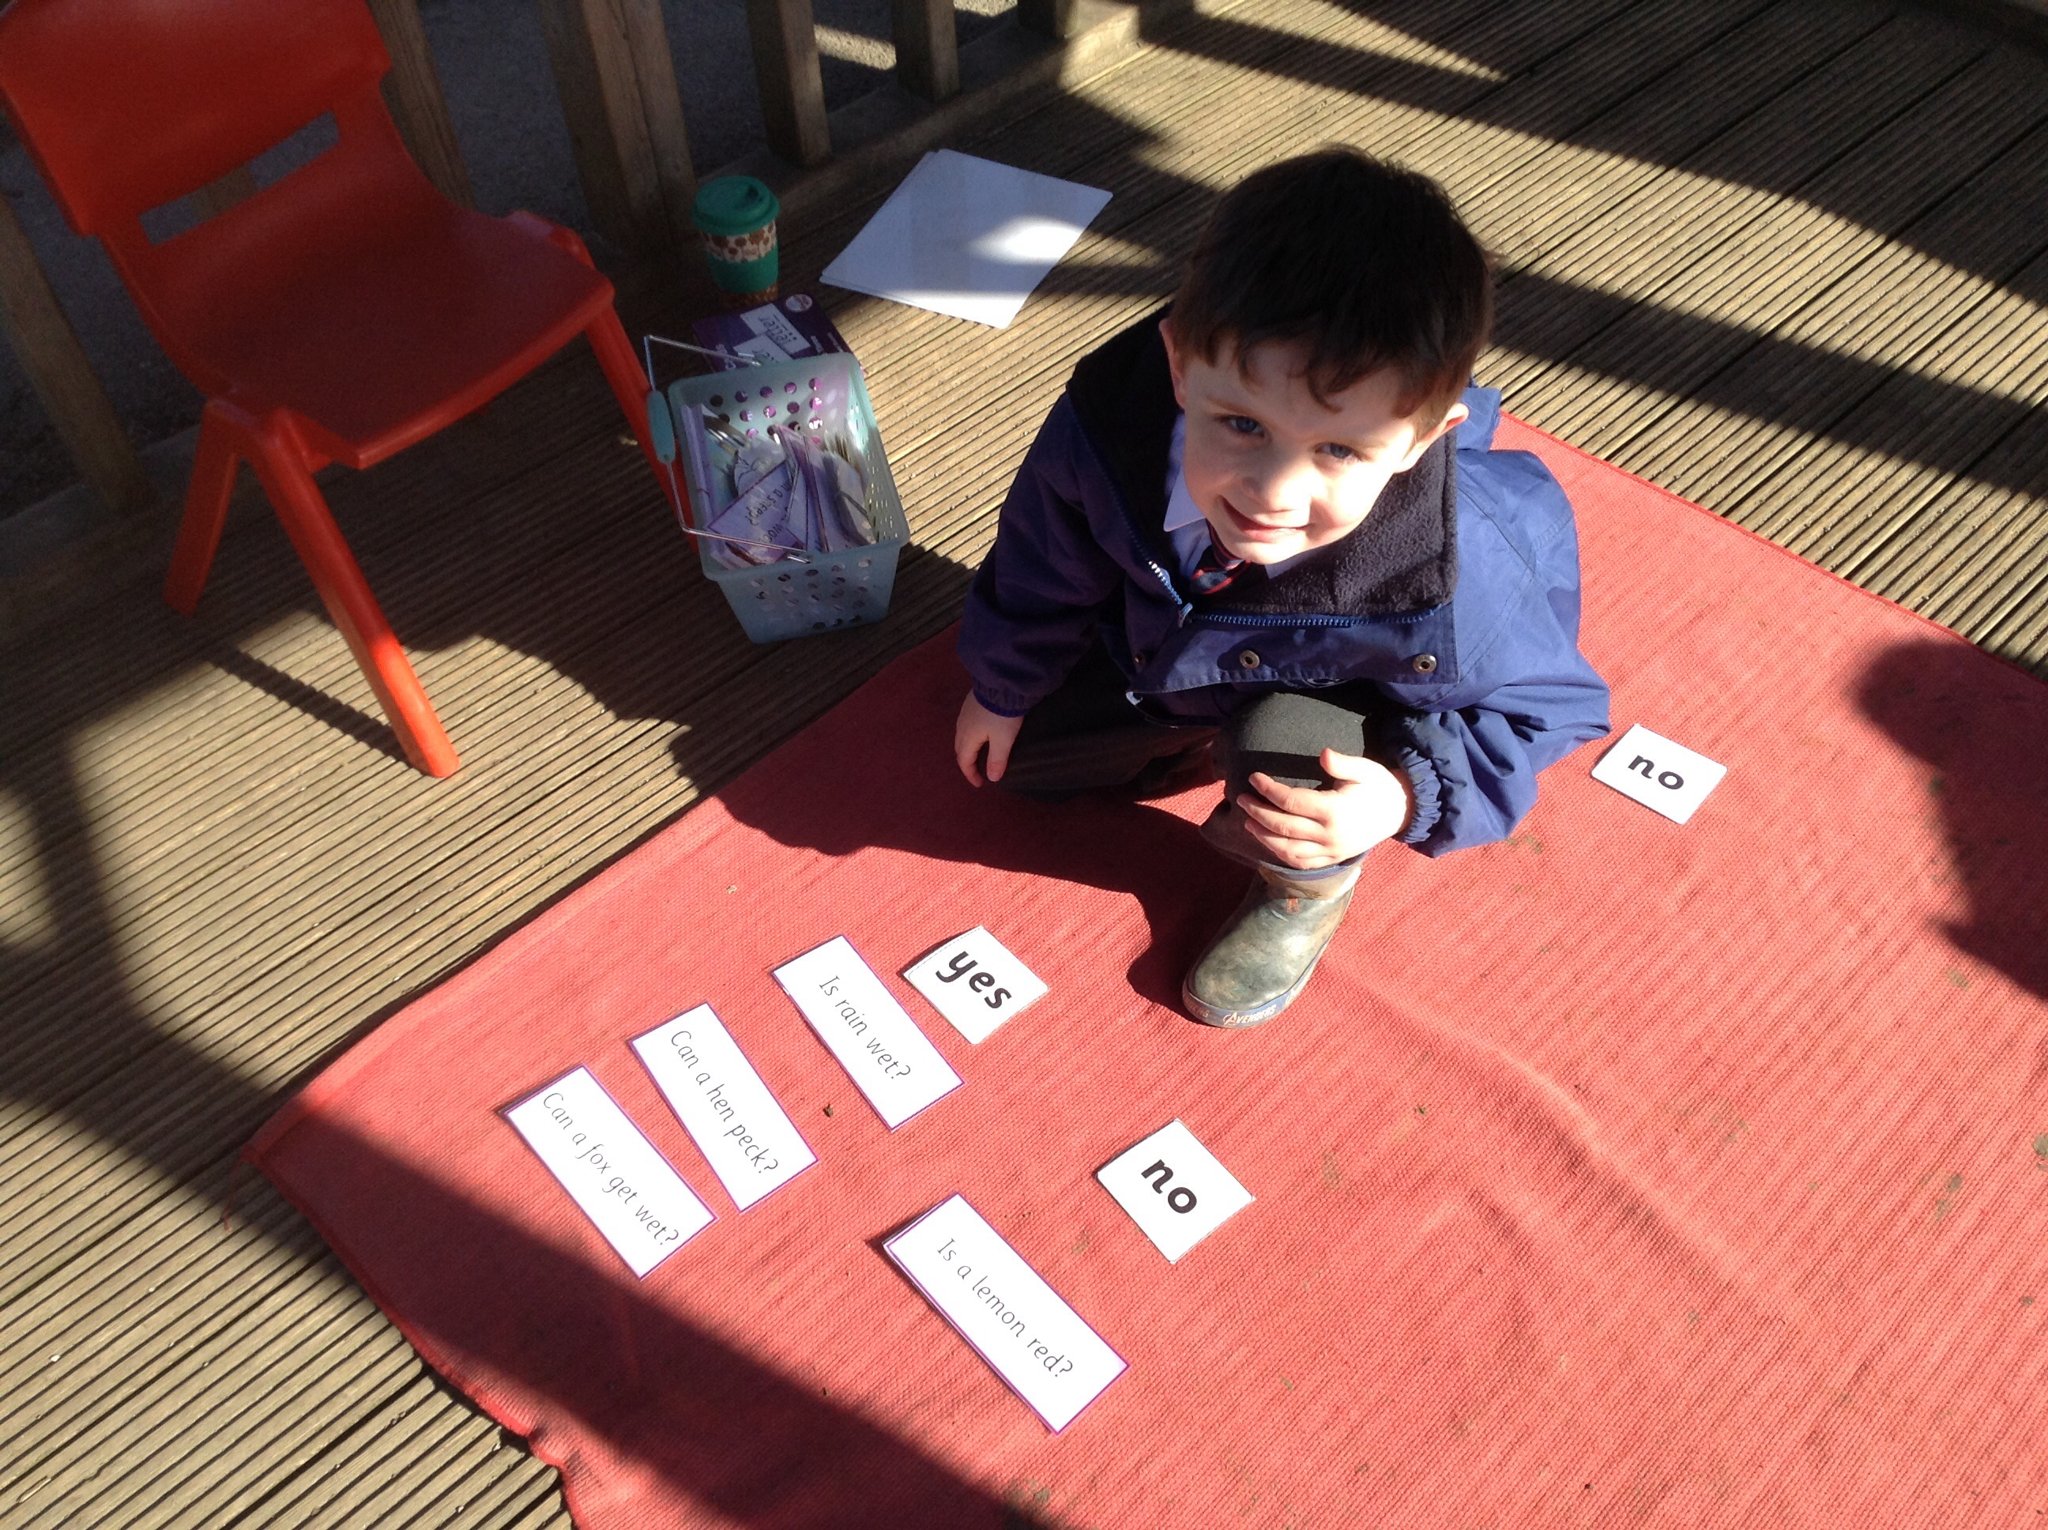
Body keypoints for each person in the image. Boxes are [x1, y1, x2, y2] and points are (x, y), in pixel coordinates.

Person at [953, 148, 1610, 1027]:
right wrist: (1004, 685)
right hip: (1168, 654)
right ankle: (1194, 744)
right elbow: (1042, 553)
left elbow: (1548, 709)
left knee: (1285, 748)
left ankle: (1306, 886)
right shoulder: (1107, 425)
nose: (1273, 493)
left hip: (1325, 709)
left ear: (1422, 439)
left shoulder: (1461, 572)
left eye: (1338, 449)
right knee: (1027, 765)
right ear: (1180, 365)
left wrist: (1402, 796)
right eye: (1241, 424)